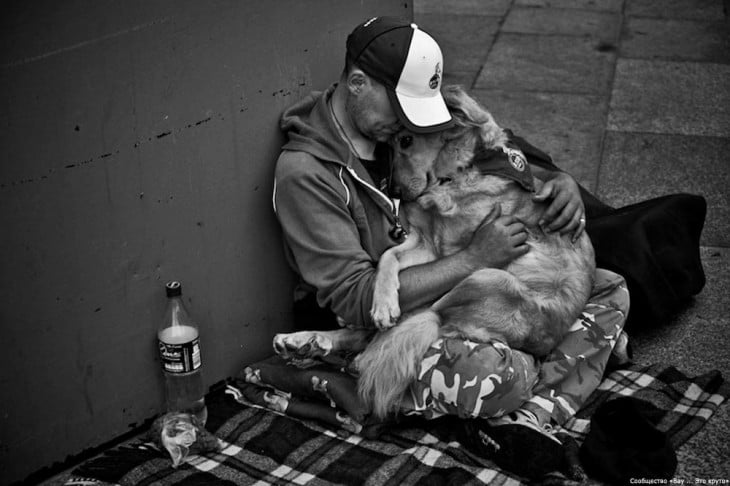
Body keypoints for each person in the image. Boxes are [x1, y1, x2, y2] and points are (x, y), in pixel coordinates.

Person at [272, 16, 628, 449]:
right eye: (402, 112)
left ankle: (529, 381)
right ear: (358, 83)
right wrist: (475, 259)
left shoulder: (385, 125)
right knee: (497, 377)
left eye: (417, 113)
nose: (410, 126)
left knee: (611, 286)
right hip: (392, 307)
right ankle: (533, 393)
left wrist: (559, 180)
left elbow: (497, 148)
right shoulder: (306, 174)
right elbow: (358, 298)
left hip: (463, 285)